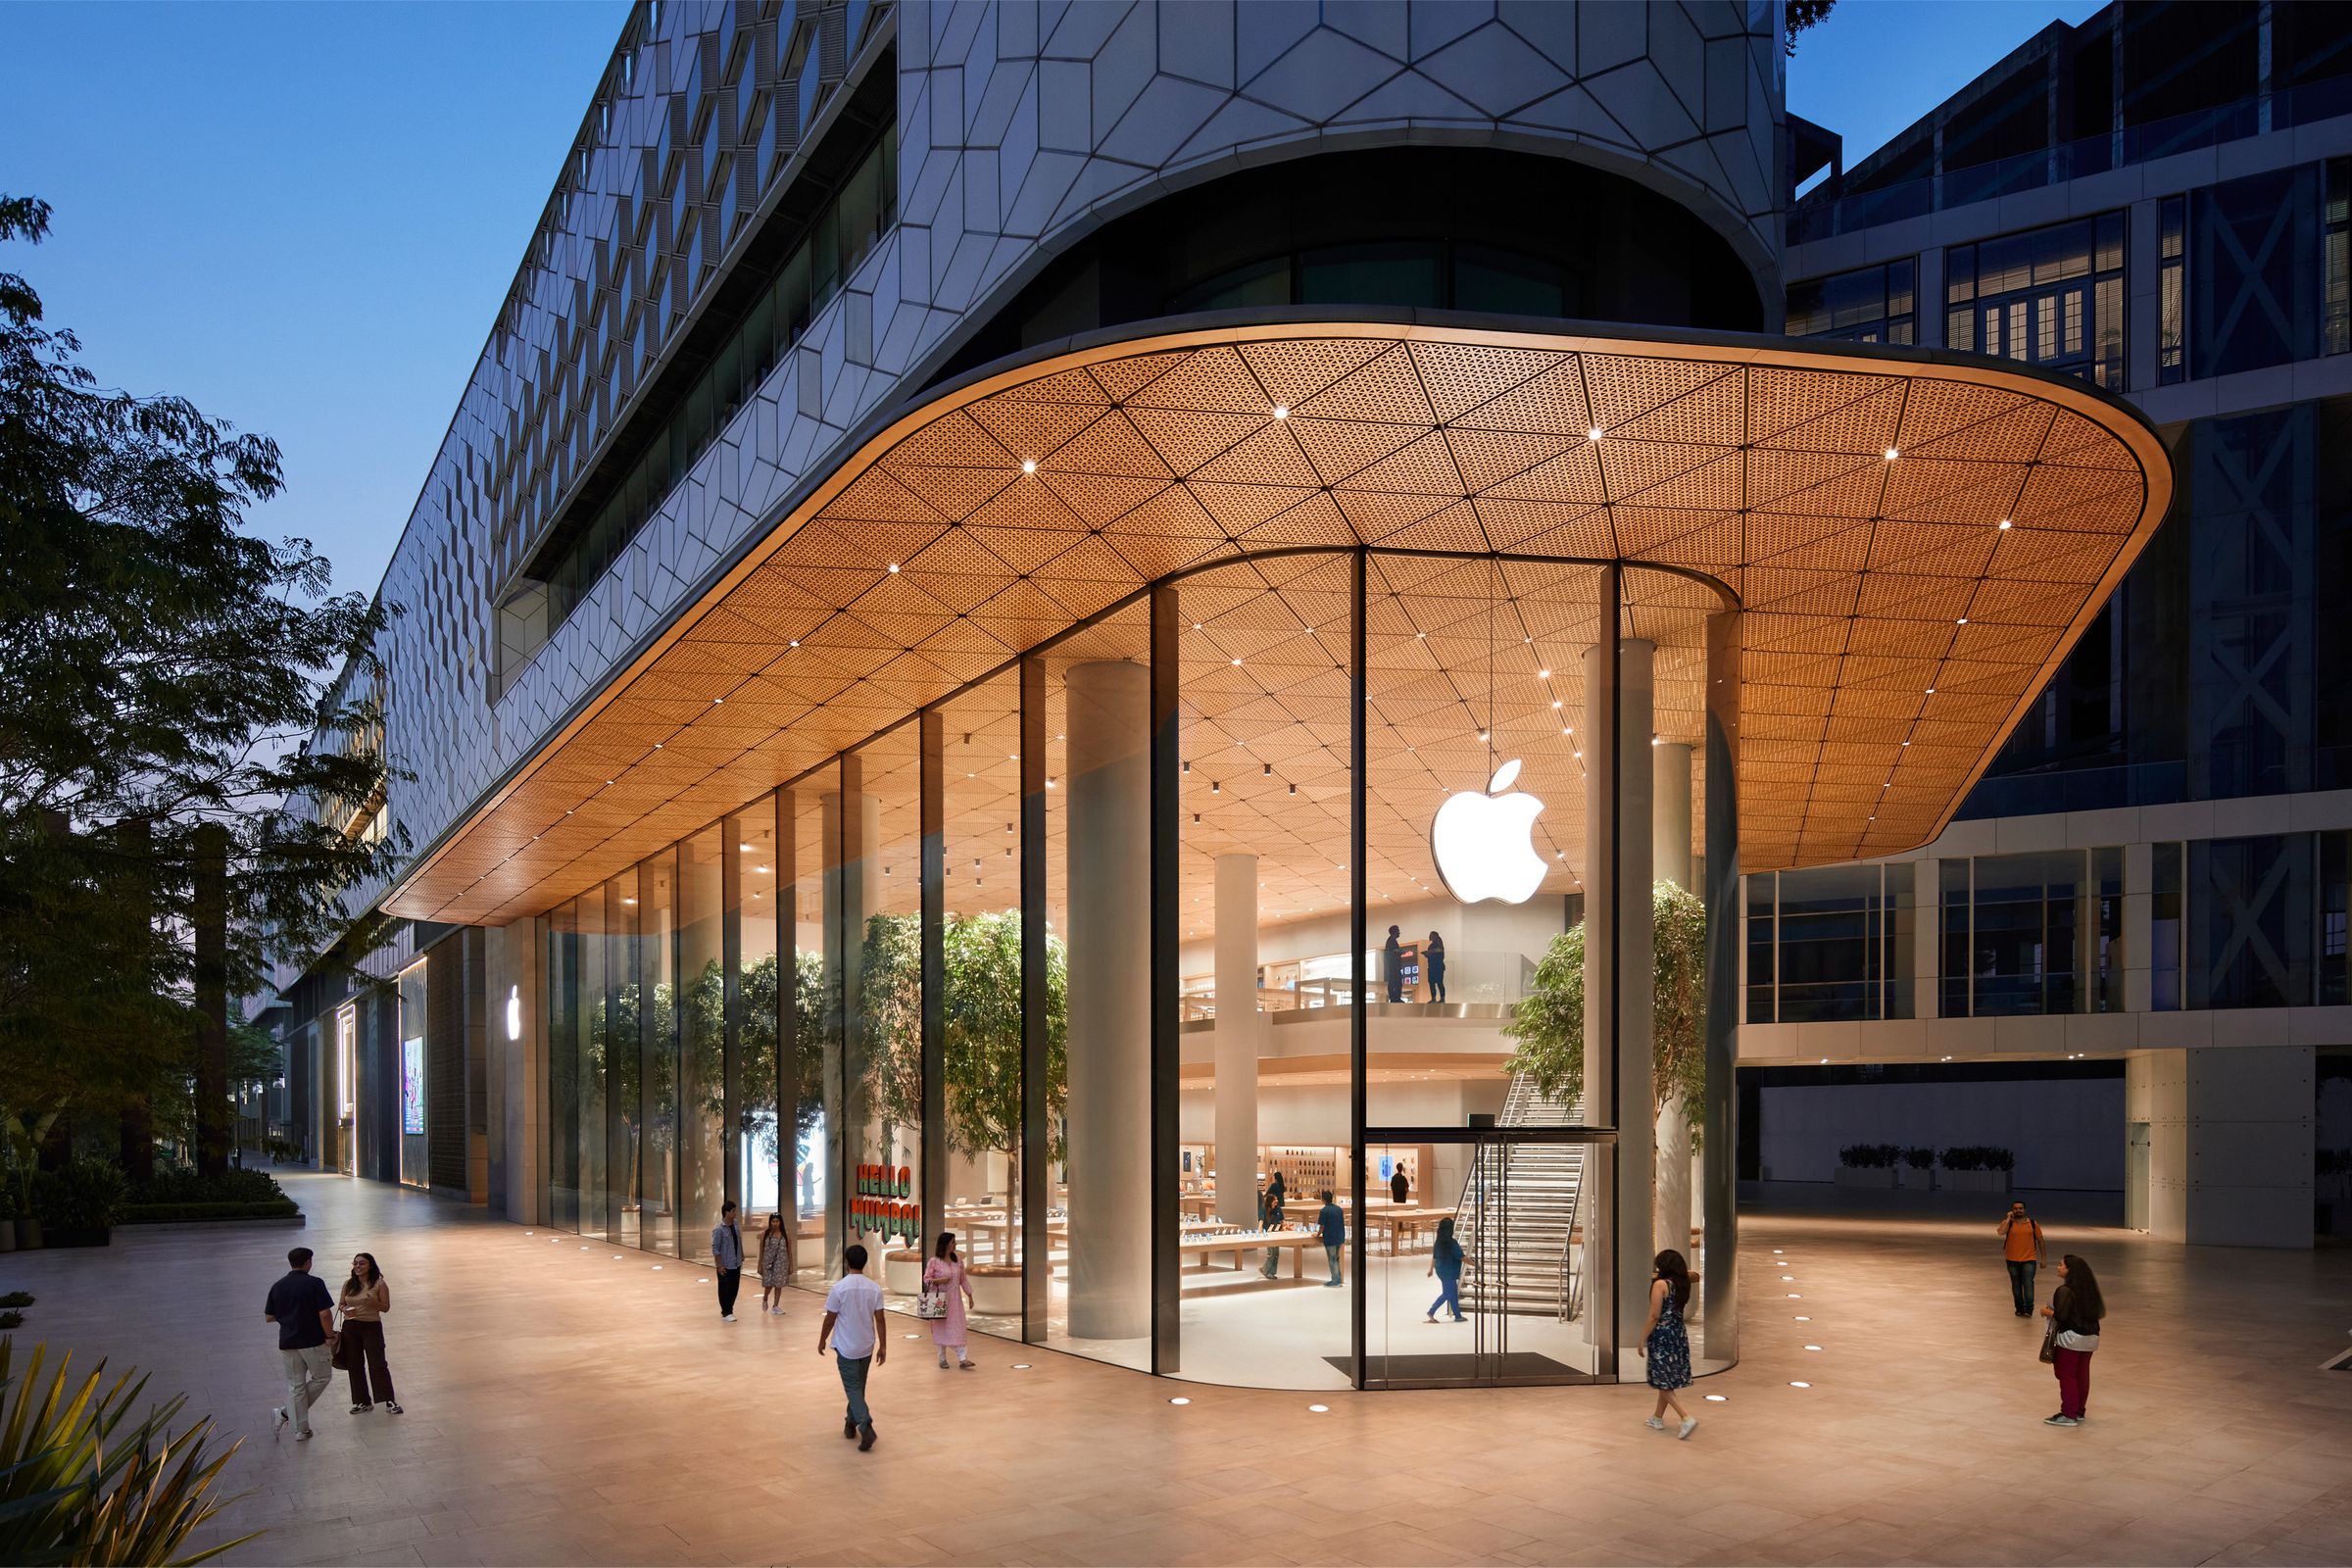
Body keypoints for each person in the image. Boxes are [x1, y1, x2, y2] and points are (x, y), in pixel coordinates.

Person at [819, 1243, 888, 1451]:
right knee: (858, 1387)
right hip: (866, 1345)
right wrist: (883, 1346)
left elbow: (830, 1319)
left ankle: (865, 1425)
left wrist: (822, 1339)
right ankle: (850, 1423)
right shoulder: (874, 1288)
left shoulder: (839, 1288)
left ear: (847, 1262)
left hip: (846, 1347)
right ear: (864, 1263)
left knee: (852, 1387)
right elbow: (880, 1319)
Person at [264, 1245, 336, 1442]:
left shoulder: (278, 1286)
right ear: (307, 1262)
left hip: (288, 1342)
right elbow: (324, 1313)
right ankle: (286, 1413)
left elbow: (269, 1316)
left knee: (296, 1385)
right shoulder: (314, 1283)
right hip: (313, 1341)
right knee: (322, 1378)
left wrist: (289, 1315)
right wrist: (330, 1335)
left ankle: (301, 1430)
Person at [1638, 1248, 1699, 1440]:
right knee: (1665, 1378)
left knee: (1662, 1378)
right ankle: (1657, 1418)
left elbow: (1654, 1315)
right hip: (1678, 1334)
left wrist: (1643, 1338)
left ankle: (1686, 1417)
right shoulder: (1682, 1284)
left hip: (1662, 1336)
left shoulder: (1660, 1285)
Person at [2039, 1252, 2105, 1427]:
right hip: (2090, 1338)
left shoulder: (2065, 1291)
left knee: (2066, 1374)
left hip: (2071, 1339)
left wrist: (2047, 1312)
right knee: (2082, 1374)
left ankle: (2068, 1413)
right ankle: (2079, 1410)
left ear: (2070, 1271)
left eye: (2061, 1265)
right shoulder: (2089, 1290)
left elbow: (2061, 1316)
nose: (2058, 1267)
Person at [336, 1251, 401, 1415]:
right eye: (355, 1263)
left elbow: (385, 1307)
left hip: (371, 1327)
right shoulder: (349, 1284)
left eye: (362, 1263)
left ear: (370, 1265)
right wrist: (345, 1309)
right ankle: (362, 1401)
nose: (357, 1266)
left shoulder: (379, 1284)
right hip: (350, 1327)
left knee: (377, 1363)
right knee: (354, 1364)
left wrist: (374, 1303)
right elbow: (341, 1304)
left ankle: (389, 1400)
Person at [924, 1231, 977, 1370]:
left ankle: (962, 1358)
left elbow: (963, 1280)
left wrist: (970, 1295)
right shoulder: (934, 1262)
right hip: (940, 1301)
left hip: (955, 1301)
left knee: (957, 1328)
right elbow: (927, 1280)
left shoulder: (958, 1261)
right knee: (941, 1328)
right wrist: (940, 1280)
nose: (955, 1244)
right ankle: (942, 1358)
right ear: (945, 1244)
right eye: (953, 1242)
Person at [1997, 1200, 2044, 1318]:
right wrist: (2008, 1218)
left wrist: (2043, 1258)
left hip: (2029, 1259)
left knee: (2028, 1283)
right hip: (2012, 1260)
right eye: (2015, 1208)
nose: (2018, 1210)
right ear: (2012, 1210)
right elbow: (2001, 1232)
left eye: (2020, 1208)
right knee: (2016, 1285)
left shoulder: (2032, 1223)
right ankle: (2019, 1308)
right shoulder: (2008, 1223)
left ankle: (2029, 1309)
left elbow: (2040, 1241)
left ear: (2025, 1210)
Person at [1424, 1216, 1464, 1323]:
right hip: (1449, 1271)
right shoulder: (1452, 1243)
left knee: (1453, 1293)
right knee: (1448, 1293)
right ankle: (1431, 1311)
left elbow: (1434, 1257)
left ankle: (1458, 1316)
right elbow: (1461, 1256)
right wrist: (1474, 1264)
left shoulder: (1438, 1242)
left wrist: (1431, 1269)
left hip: (1441, 1270)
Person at [711, 1199, 745, 1322]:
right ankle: (727, 1312)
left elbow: (738, 1241)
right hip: (725, 1264)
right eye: (733, 1211)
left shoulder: (735, 1225)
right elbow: (715, 1248)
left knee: (734, 1288)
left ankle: (728, 1309)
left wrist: (742, 1254)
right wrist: (719, 1265)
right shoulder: (719, 1229)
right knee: (725, 1289)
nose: (735, 1213)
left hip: (736, 1262)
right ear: (726, 1212)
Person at [758, 1211, 793, 1316]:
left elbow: (789, 1251)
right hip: (768, 1263)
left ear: (780, 1222)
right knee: (769, 1284)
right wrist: (759, 1265)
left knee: (778, 1284)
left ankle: (776, 1306)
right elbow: (761, 1250)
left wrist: (791, 1265)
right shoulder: (765, 1234)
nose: (775, 1223)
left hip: (781, 1263)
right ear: (770, 1222)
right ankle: (765, 1297)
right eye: (773, 1221)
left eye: (777, 1221)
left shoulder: (785, 1235)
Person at [1259, 1172, 1288, 1279]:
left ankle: (1269, 1271)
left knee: (1276, 1254)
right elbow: (1261, 1220)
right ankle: (1268, 1272)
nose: (1277, 1201)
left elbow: (1282, 1220)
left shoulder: (1278, 1208)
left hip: (1277, 1232)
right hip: (1269, 1233)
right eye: (1275, 1200)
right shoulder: (1265, 1209)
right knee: (1271, 1253)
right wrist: (1260, 1229)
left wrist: (1285, 1226)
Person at [1317, 1190, 1345, 1286]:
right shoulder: (1338, 1209)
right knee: (1336, 1259)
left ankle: (1335, 1280)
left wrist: (1317, 1235)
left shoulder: (1324, 1211)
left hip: (1330, 1238)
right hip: (1339, 1237)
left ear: (1323, 1199)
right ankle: (1338, 1279)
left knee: (1332, 1260)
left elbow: (1322, 1226)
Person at [1384, 925, 1404, 1003]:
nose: (1399, 933)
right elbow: (1392, 951)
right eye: (1398, 931)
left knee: (1396, 982)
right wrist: (1399, 951)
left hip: (1394, 966)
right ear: (1394, 932)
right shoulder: (1391, 941)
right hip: (1394, 967)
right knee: (1395, 982)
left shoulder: (1392, 941)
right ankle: (1395, 998)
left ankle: (1395, 997)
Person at [1426, 932, 1447, 1003]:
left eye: (1431, 935)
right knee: (1434, 983)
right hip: (1434, 966)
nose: (1429, 937)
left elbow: (1439, 951)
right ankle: (1437, 998)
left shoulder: (1438, 944)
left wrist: (1430, 953)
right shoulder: (1433, 945)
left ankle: (1438, 998)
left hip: (1436, 967)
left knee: (1438, 983)